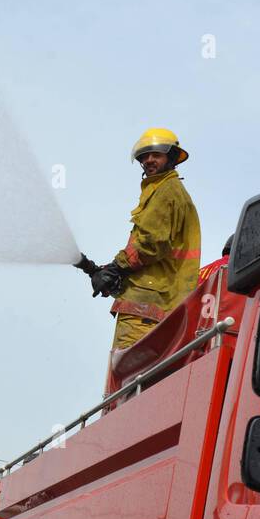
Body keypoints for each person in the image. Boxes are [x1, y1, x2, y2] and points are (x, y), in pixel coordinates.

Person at [78, 127, 201, 358]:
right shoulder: (163, 189)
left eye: (156, 154)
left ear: (172, 157)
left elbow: (151, 244)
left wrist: (116, 268)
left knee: (129, 377)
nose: (148, 161)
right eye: (143, 156)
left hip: (145, 307)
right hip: (154, 302)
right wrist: (117, 273)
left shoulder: (167, 190)